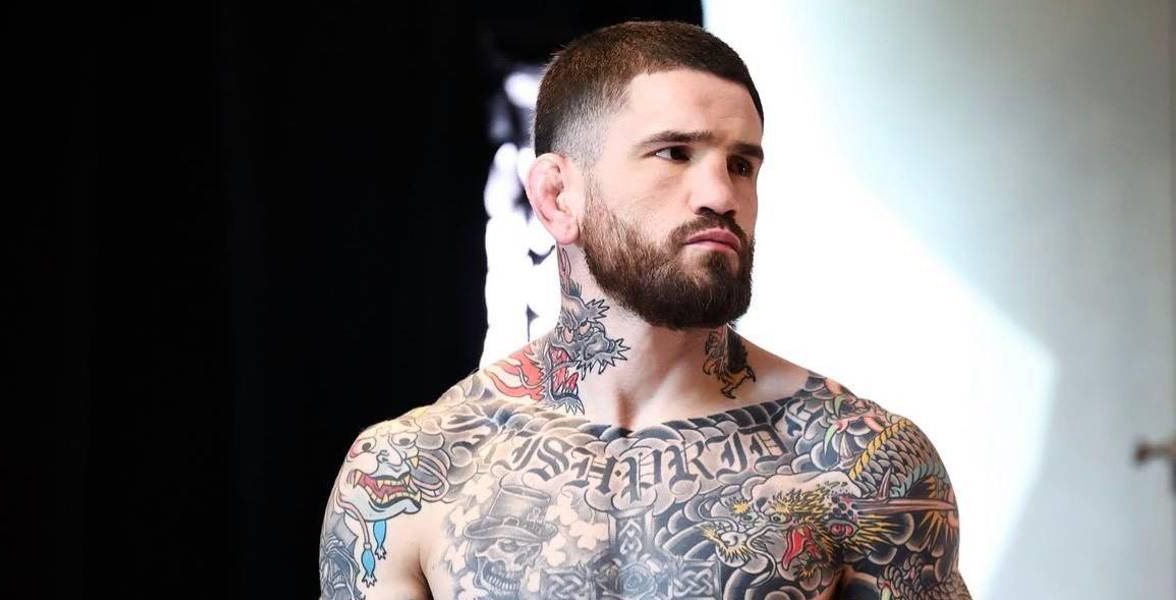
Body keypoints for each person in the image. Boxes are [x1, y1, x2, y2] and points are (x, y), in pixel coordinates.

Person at [318, 20, 970, 600]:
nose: (721, 194)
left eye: (741, 164)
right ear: (557, 196)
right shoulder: (409, 475)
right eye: (674, 153)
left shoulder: (857, 463)